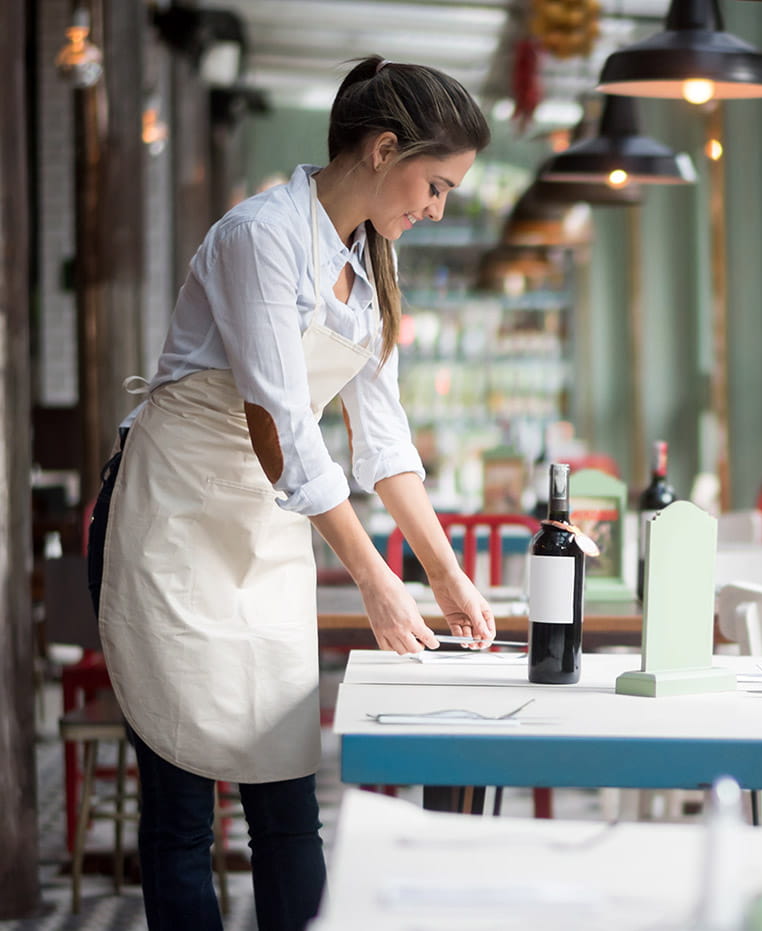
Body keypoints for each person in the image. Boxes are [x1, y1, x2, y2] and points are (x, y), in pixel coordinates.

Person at [86, 56, 495, 931]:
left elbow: (383, 444)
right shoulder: (257, 237)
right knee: (183, 815)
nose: (436, 209)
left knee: (284, 803)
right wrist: (376, 581)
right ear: (385, 150)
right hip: (174, 520)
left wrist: (445, 573)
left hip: (268, 529)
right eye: (436, 184)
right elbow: (284, 426)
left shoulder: (371, 267)